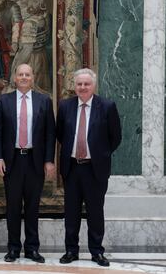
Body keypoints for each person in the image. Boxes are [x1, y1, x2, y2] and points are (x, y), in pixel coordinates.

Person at [56, 68, 122, 267]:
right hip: (72, 168)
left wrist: (100, 154)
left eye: (86, 84)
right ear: (74, 86)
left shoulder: (107, 106)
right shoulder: (65, 106)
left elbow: (115, 137)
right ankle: (71, 251)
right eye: (79, 84)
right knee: (71, 212)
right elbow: (60, 134)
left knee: (95, 212)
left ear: (94, 86)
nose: (83, 87)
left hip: (95, 169)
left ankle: (96, 252)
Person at [0, 64, 55, 263]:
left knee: (33, 207)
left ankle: (32, 248)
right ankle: (13, 248)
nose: (24, 77)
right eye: (21, 74)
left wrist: (49, 161)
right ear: (15, 78)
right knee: (12, 207)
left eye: (28, 74)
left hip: (35, 160)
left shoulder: (44, 101)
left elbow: (50, 134)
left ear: (33, 77)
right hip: (12, 161)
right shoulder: (4, 101)